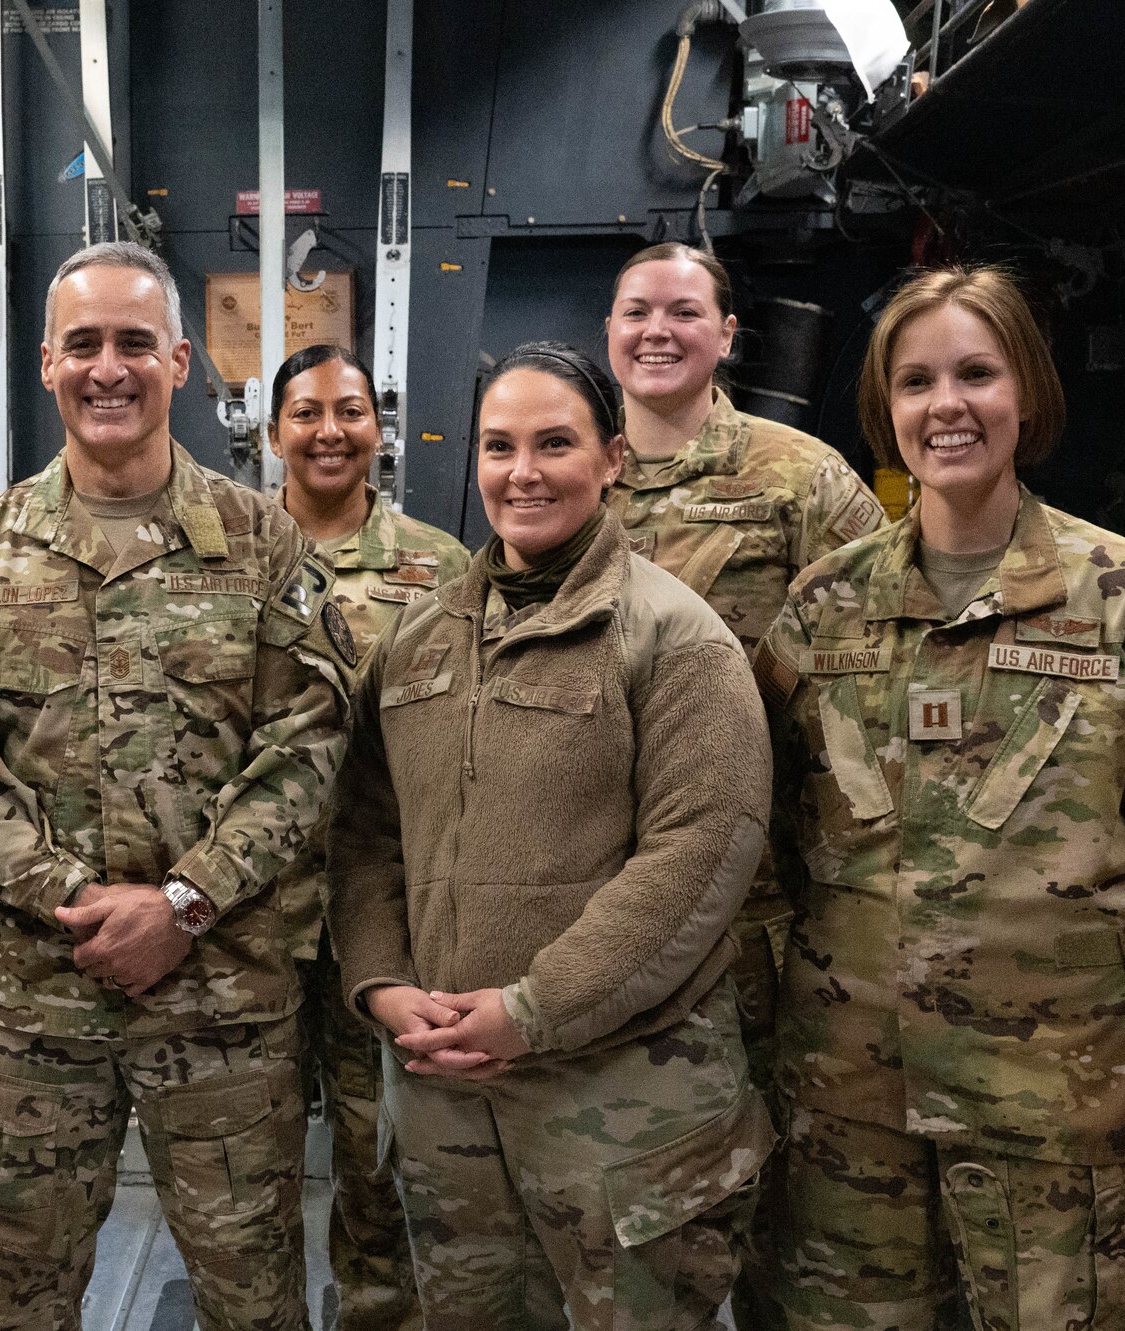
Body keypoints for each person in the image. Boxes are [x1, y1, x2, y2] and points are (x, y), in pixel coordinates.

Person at [0, 240, 354, 1331]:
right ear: (47, 362)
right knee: (10, 1299)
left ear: (180, 361)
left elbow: (309, 735)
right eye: (85, 344)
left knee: (253, 1298)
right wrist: (72, 897)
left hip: (225, 1011)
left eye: (134, 343)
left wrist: (184, 901)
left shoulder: (261, 545)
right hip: (34, 1011)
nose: (110, 368)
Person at [754, 265, 1125, 1330]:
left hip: (1058, 1099)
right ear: (884, 408)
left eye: (975, 372)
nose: (944, 405)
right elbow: (772, 831)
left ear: (1027, 394)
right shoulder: (822, 607)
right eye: (914, 381)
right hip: (849, 1104)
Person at [328, 341, 776, 1331]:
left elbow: (698, 855)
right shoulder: (420, 634)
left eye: (553, 442)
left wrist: (529, 1010)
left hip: (621, 1124)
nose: (520, 470)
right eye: (497, 445)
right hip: (448, 1111)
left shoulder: (671, 637)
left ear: (611, 457)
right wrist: (382, 986)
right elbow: (363, 838)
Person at [603, 241, 884, 1327]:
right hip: (612, 907)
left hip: (766, 916)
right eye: (635, 311)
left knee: (791, 1210)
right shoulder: (572, 472)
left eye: (683, 311)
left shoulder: (801, 479)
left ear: (726, 334)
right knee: (637, 1206)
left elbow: (874, 685)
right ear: (608, 333)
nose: (656, 331)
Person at [265, 342, 467, 1331]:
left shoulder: (440, 568)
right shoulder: (223, 557)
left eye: (348, 410)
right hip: (247, 915)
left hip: (379, 916)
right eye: (305, 412)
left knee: (375, 1150)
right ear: (273, 435)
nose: (328, 430)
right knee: (242, 1167)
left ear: (378, 430)